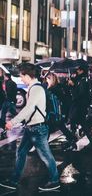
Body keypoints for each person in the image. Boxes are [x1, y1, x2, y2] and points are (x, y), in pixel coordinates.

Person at [0, 63, 60, 191]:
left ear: (27, 75)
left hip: (37, 129)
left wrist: (12, 122)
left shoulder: (36, 89)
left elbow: (29, 109)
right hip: (31, 128)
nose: (21, 79)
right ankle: (14, 180)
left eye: (22, 76)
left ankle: (55, 181)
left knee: (46, 156)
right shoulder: (34, 88)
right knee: (21, 152)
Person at [46, 72, 78, 150]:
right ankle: (72, 139)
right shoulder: (61, 87)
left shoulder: (52, 89)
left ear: (50, 79)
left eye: (47, 79)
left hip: (55, 112)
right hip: (61, 111)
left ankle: (72, 139)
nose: (46, 81)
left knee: (54, 127)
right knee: (56, 127)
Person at [68, 65, 92, 150]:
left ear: (82, 71)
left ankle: (74, 142)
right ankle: (75, 142)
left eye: (78, 70)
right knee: (79, 123)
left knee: (79, 123)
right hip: (80, 106)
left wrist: (72, 86)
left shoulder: (83, 81)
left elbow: (79, 95)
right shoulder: (81, 80)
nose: (77, 71)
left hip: (79, 106)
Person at [0, 72, 18, 139]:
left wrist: (8, 99)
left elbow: (9, 92)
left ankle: (2, 126)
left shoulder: (8, 83)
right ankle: (23, 120)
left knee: (3, 113)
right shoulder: (13, 82)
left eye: (4, 76)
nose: (4, 78)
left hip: (8, 100)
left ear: (7, 77)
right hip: (11, 100)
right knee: (13, 112)